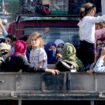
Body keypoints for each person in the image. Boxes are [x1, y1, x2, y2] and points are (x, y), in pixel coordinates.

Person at [77, 2, 105, 71]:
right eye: (94, 11)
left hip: (82, 45)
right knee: (91, 67)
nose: (94, 14)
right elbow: (101, 19)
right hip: (88, 47)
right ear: (91, 11)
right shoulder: (89, 19)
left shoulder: (82, 19)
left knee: (83, 66)